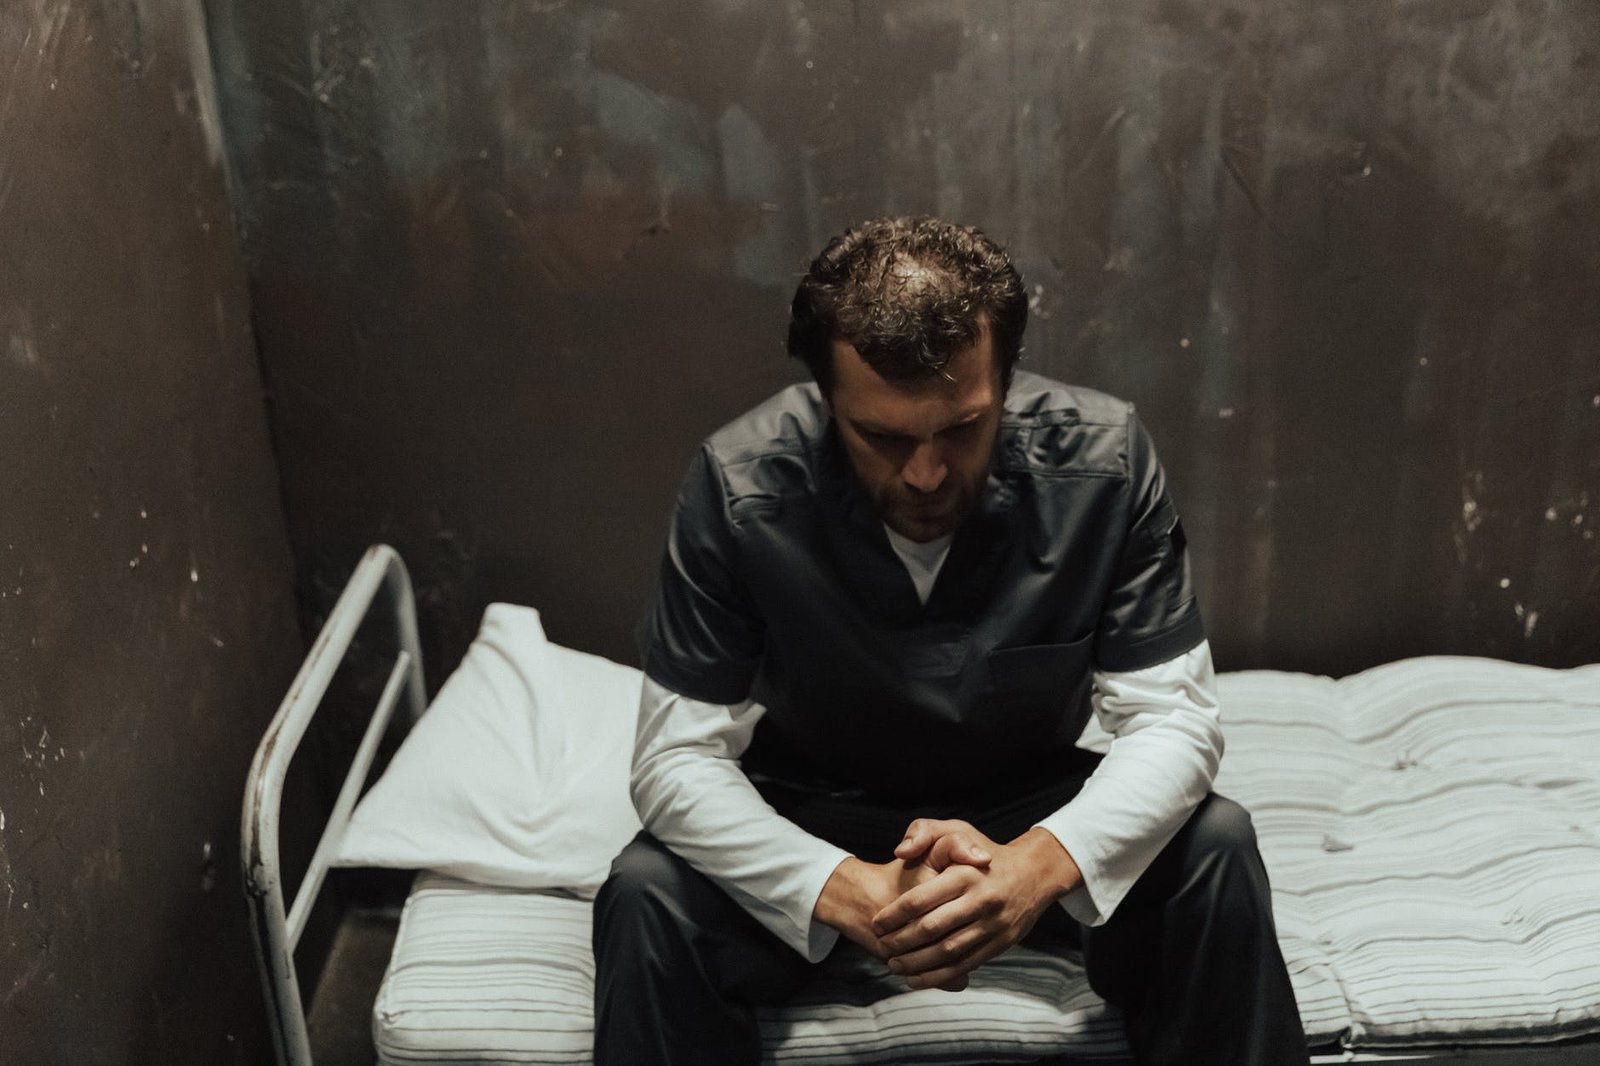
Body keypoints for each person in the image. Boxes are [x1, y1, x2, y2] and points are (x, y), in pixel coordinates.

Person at [592, 216, 1307, 1065]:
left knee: (1217, 848)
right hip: (814, 809)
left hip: (1032, 804)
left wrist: (1038, 866)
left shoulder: (1104, 466)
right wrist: (842, 889)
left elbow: (1175, 723)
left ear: (1007, 380)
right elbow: (675, 759)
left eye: (963, 427)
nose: (926, 473)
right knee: (644, 894)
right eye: (884, 438)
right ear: (826, 398)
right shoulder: (739, 485)